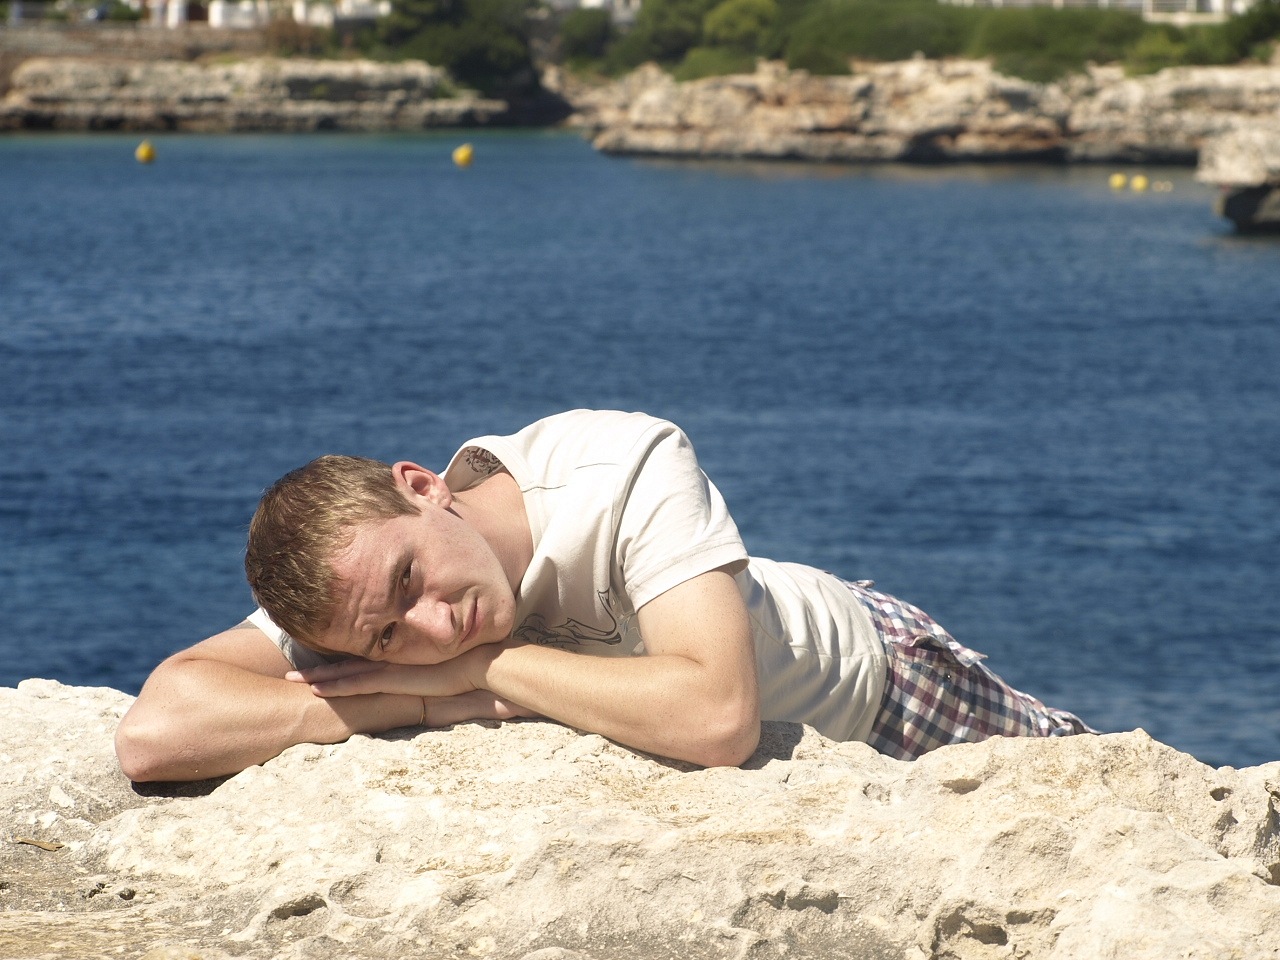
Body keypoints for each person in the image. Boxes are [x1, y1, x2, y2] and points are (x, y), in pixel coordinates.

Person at [115, 409, 1093, 782]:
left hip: (874, 682)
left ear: (422, 486)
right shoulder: (355, 592)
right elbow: (156, 735)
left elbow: (716, 718)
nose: (432, 624)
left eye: (411, 579)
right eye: (386, 636)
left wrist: (485, 667)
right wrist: (419, 701)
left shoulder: (617, 465)